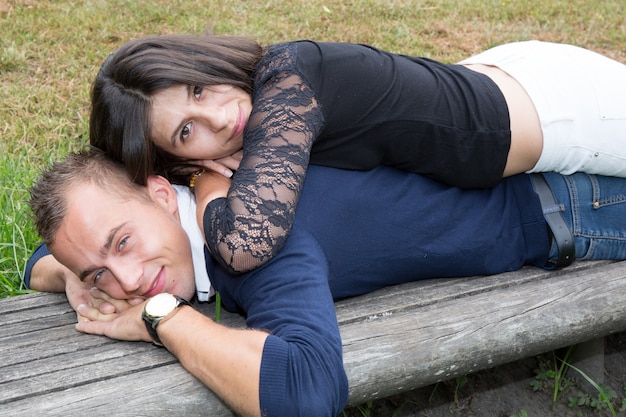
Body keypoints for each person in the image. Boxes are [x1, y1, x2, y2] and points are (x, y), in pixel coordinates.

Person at [26, 149, 626, 417]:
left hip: (586, 207)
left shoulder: (249, 237)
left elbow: (307, 392)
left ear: (162, 193)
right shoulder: (181, 214)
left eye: (123, 243)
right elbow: (38, 261)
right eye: (101, 272)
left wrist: (162, 319)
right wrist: (70, 275)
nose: (128, 281)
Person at [89, 35, 626, 274]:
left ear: (202, 63)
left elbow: (245, 245)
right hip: (510, 88)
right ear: (175, 162)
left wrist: (205, 182)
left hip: (569, 112)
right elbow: (61, 246)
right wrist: (70, 273)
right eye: (187, 132)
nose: (218, 117)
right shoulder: (273, 118)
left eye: (197, 91)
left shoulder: (287, 80)